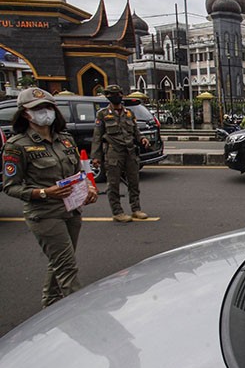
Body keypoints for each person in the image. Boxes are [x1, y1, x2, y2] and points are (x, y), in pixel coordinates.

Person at [2, 87, 98, 307]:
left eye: (48, 107)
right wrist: (45, 192)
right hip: (44, 214)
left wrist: (88, 188)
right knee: (67, 266)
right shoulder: (17, 146)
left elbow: (77, 172)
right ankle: (81, 314)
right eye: (38, 109)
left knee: (60, 262)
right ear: (25, 113)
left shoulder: (65, 140)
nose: (45, 112)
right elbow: (11, 187)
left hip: (71, 210)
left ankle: (50, 304)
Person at [91, 84, 150, 223]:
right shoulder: (103, 114)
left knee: (134, 182)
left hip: (130, 151)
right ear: (108, 97)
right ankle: (117, 212)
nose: (115, 97)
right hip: (113, 152)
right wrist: (96, 157)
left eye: (117, 94)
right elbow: (97, 137)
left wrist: (142, 138)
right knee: (113, 183)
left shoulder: (129, 113)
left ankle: (136, 209)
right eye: (112, 95)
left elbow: (135, 131)